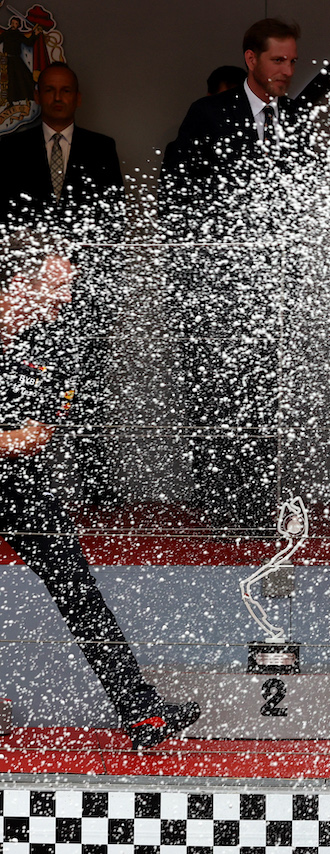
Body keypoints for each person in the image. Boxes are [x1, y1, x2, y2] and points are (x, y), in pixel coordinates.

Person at [0, 234, 200, 750]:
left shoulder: (41, 346)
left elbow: (39, 432)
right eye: (57, 283)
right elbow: (19, 436)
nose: (66, 297)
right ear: (22, 283)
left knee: (78, 591)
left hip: (18, 487)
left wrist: (21, 438)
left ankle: (139, 710)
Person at [162, 19, 302, 527]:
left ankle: (258, 505)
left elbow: (301, 201)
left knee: (262, 393)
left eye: (291, 60)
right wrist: (212, 253)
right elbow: (177, 193)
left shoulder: (298, 120)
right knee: (214, 392)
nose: (287, 70)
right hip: (214, 285)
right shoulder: (208, 113)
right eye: (277, 60)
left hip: (269, 287)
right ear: (251, 60)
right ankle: (220, 505)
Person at [0, 61, 126, 505]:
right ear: (38, 95)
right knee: (26, 389)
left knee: (87, 386)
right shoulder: (9, 150)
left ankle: (95, 485)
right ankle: (27, 488)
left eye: (66, 90)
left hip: (84, 290)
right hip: (28, 294)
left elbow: (114, 224)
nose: (57, 97)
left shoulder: (101, 147)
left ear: (77, 96)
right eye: (50, 90)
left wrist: (90, 279)